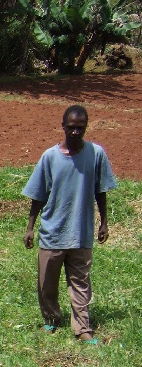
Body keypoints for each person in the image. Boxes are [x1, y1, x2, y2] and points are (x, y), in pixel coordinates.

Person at [23, 105, 117, 344]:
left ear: (86, 127)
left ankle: (83, 328)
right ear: (63, 126)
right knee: (47, 283)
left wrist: (104, 222)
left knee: (81, 283)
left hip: (81, 232)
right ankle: (51, 318)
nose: (76, 132)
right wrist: (30, 227)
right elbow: (38, 195)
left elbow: (101, 190)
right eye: (72, 127)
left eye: (80, 128)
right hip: (53, 232)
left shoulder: (96, 154)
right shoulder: (50, 157)